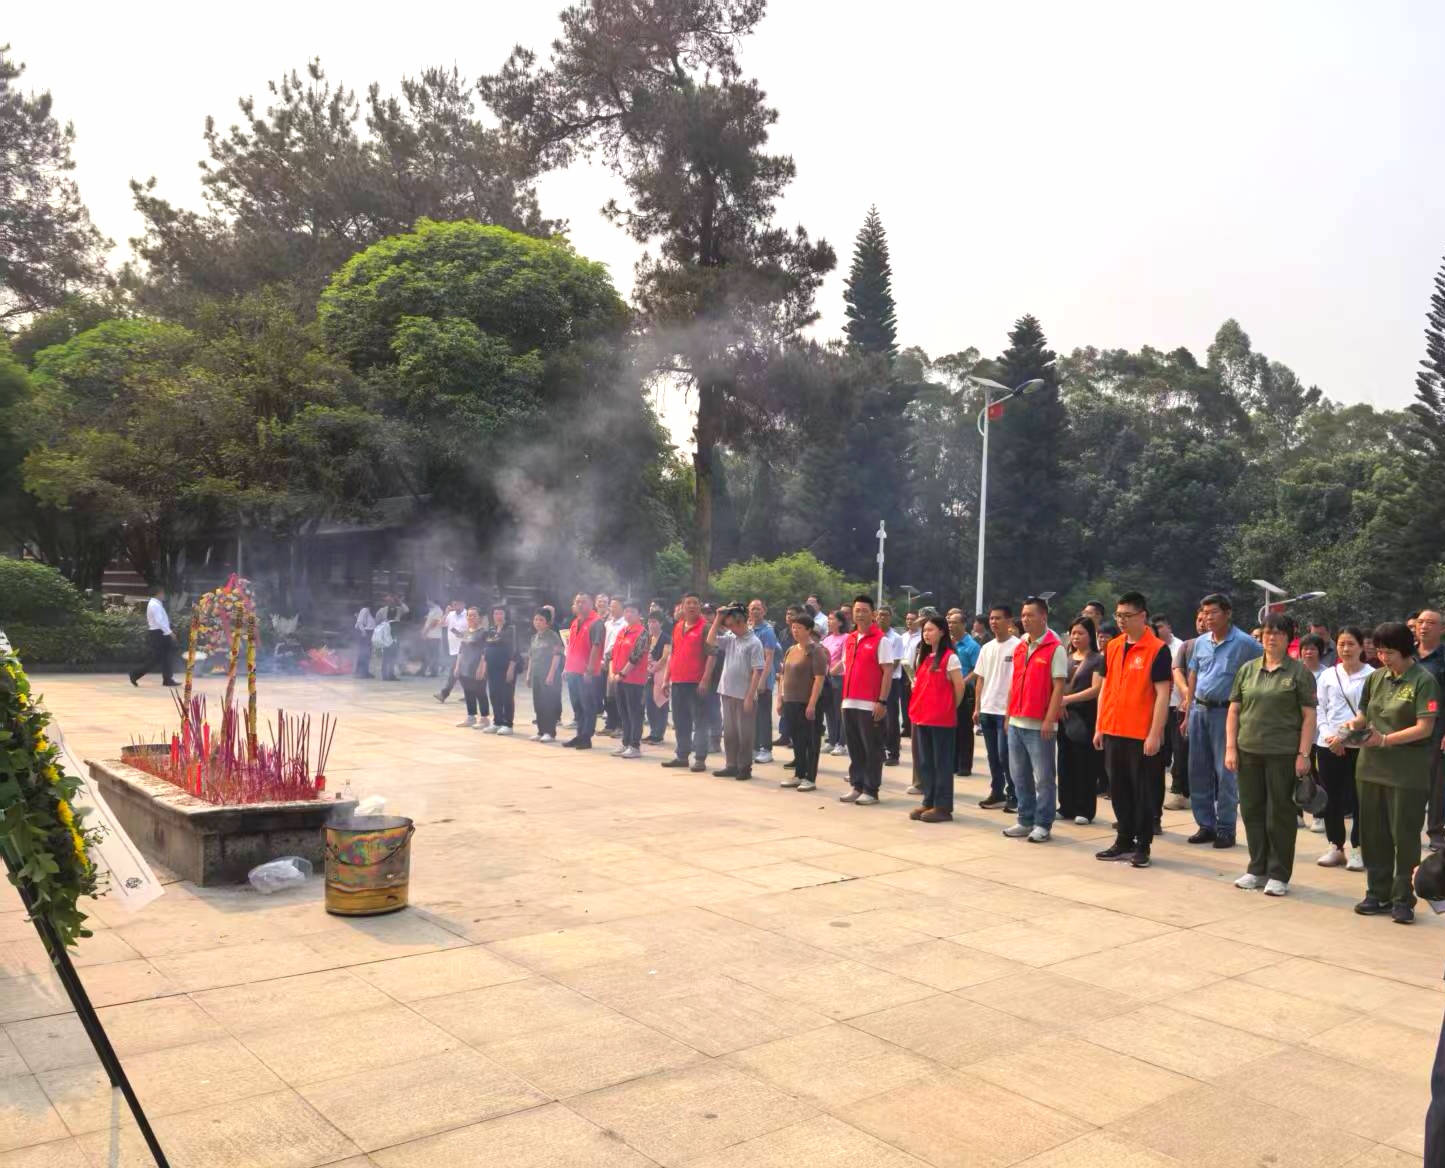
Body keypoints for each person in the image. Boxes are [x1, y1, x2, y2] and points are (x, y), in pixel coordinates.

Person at [1348, 621, 1441, 923]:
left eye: (1389, 653)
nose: (1383, 658)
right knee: (1373, 835)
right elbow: (1364, 712)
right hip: (1370, 768)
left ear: (1405, 650)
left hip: (1406, 772)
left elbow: (1424, 727)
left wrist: (1385, 740)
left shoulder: (1424, 681)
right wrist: (1354, 725)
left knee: (1404, 836)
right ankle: (1377, 892)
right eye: (1380, 652)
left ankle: (1403, 898)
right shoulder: (1376, 678)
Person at [1224, 613, 1317, 896]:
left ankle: (1279, 873)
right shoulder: (1248, 669)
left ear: (1289, 638)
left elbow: (1309, 716)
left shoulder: (1299, 673)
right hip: (1248, 750)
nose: (1271, 637)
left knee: (1280, 814)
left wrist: (1304, 754)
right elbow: (1234, 710)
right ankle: (1257, 868)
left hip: (1283, 753)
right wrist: (1231, 747)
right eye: (1267, 632)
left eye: (1278, 633)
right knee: (1252, 810)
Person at [1093, 593, 1173, 868]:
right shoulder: (1113, 646)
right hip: (1113, 729)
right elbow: (1105, 687)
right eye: (1118, 616)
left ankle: (1143, 844)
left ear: (1142, 616)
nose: (1121, 621)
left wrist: (1155, 733)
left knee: (1143, 792)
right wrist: (1100, 725)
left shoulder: (1157, 649)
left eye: (1127, 616)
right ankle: (1123, 839)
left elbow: (1163, 694)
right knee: (1118, 789)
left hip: (1141, 734)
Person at [1186, 593, 1263, 849]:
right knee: (1198, 770)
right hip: (1199, 711)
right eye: (1204, 613)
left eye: (1213, 612)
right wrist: (1188, 711)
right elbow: (1194, 675)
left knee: (1226, 773)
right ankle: (1205, 824)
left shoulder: (1245, 644)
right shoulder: (1200, 642)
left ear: (1228, 613)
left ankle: (1226, 829)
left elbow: (1261, 673)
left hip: (1226, 713)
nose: (1208, 618)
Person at [1002, 597, 1067, 842]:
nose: (1025, 619)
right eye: (1023, 615)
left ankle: (1043, 823)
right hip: (1016, 722)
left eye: (1030, 615)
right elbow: (1014, 683)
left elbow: (1059, 687)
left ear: (1043, 617)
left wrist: (1050, 719)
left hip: (1040, 725)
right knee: (1019, 776)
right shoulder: (1020, 646)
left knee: (1044, 778)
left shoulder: (1055, 648)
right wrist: (1008, 715)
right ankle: (1025, 819)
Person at [1314, 625, 1372, 870]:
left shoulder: (1372, 675)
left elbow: (1370, 714)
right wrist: (1329, 737)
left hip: (1359, 745)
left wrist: (1345, 738)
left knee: (1360, 799)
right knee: (1331, 798)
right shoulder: (1328, 675)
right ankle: (1335, 846)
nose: (1346, 649)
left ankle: (1358, 848)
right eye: (1341, 644)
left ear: (1361, 646)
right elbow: (1320, 708)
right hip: (1328, 745)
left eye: (1351, 644)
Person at [908, 614, 966, 822]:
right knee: (925, 762)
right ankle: (929, 800)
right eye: (924, 630)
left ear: (942, 632)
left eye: (930, 630)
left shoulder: (950, 657)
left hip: (941, 719)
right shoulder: (924, 657)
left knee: (942, 763)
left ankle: (943, 806)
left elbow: (959, 687)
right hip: (922, 717)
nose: (926, 634)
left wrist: (949, 708)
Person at [840, 595, 895, 805]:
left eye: (864, 610)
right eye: (857, 610)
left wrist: (882, 701)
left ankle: (871, 790)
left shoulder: (881, 640)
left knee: (872, 748)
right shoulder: (850, 638)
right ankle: (857, 785)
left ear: (873, 614)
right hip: (849, 702)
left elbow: (887, 672)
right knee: (854, 748)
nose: (860, 614)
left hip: (870, 704)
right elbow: (846, 668)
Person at [707, 604, 765, 780]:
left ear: (741, 622)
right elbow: (710, 641)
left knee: (745, 733)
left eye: (732, 625)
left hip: (744, 694)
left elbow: (757, 671)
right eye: (728, 625)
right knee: (730, 732)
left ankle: (744, 767)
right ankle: (731, 765)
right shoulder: (731, 637)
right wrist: (718, 618)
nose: (730, 628)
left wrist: (750, 696)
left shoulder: (754, 642)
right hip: (727, 691)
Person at [972, 605, 1020, 812]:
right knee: (992, 756)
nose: (994, 622)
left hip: (1005, 711)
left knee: (1005, 755)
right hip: (987, 709)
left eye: (998, 618)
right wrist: (977, 707)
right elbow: (980, 679)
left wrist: (1010, 711)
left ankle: (1014, 794)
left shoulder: (1018, 646)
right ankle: (997, 792)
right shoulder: (986, 647)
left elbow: (1017, 682)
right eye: (991, 618)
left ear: (1009, 621)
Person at [1057, 617, 1104, 825]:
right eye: (1073, 633)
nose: (1076, 637)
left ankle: (1085, 809)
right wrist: (1059, 703)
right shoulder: (1066, 657)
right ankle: (1066, 806)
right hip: (1064, 716)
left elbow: (1096, 689)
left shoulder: (1097, 659)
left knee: (1084, 764)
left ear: (1090, 635)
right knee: (1064, 763)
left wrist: (1067, 699)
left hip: (1085, 716)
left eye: (1081, 633)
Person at [777, 613, 828, 792]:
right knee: (797, 739)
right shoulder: (791, 650)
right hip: (791, 701)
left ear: (808, 630)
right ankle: (799, 773)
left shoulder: (816, 651)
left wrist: (812, 703)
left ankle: (810, 777)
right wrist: (780, 698)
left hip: (807, 702)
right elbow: (783, 675)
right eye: (793, 627)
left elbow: (819, 679)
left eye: (799, 628)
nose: (795, 631)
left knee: (810, 740)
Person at [662, 593, 710, 773]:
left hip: (697, 682)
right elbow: (672, 654)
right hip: (678, 681)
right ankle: (682, 756)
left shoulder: (705, 627)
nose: (691, 606)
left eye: (695, 603)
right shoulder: (678, 627)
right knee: (680, 720)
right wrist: (666, 679)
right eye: (688, 603)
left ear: (700, 606)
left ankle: (700, 758)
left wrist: (705, 679)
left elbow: (711, 656)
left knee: (700, 721)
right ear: (682, 607)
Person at [1165, 609, 1206, 810]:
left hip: (1213, 709)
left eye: (1206, 619)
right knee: (1181, 752)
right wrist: (1187, 694)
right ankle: (1180, 792)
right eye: (1199, 619)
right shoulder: (1187, 646)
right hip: (1186, 708)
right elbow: (1177, 671)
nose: (1202, 623)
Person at [1414, 610, 1445, 851]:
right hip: (1406, 727)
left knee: (1437, 785)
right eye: (1421, 622)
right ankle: (1407, 828)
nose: (1424, 626)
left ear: (1442, 629)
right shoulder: (1406, 654)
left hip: (1436, 730)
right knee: (1409, 780)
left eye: (1431, 623)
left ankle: (1435, 831)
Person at [562, 594, 606, 750]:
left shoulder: (596, 622)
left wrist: (590, 669)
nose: (580, 605)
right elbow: (570, 647)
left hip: (587, 672)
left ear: (591, 604)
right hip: (573, 670)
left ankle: (586, 737)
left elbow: (596, 646)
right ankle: (579, 735)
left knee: (588, 705)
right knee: (577, 705)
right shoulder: (575, 622)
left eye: (583, 602)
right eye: (577, 602)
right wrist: (566, 667)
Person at [608, 602, 651, 758]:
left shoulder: (642, 633)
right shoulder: (622, 631)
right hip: (619, 679)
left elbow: (636, 657)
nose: (628, 615)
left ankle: (634, 745)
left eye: (632, 612)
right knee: (624, 713)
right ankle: (625, 742)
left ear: (639, 614)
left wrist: (622, 674)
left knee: (635, 714)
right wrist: (612, 673)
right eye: (626, 611)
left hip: (634, 680)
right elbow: (612, 654)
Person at [947, 608, 980, 777]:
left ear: (963, 624)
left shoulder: (972, 646)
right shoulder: (949, 644)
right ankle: (953, 763)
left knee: (965, 729)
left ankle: (965, 765)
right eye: (949, 622)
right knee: (951, 727)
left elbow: (978, 670)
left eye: (954, 622)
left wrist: (962, 682)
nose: (950, 625)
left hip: (966, 691)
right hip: (949, 690)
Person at [748, 599, 781, 766]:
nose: (755, 611)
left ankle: (766, 749)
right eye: (752, 608)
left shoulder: (767, 631)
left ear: (764, 611)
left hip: (763, 680)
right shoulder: (749, 629)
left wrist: (762, 681)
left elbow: (769, 658)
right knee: (752, 715)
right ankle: (754, 747)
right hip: (750, 678)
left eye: (758, 609)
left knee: (763, 715)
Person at [526, 608, 565, 742]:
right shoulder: (534, 637)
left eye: (541, 620)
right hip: (536, 674)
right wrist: (529, 674)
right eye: (536, 619)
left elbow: (557, 656)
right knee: (538, 703)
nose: (537, 622)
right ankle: (541, 730)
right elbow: (531, 657)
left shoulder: (553, 637)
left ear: (548, 622)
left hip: (548, 675)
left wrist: (551, 674)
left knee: (548, 703)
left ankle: (550, 732)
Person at [129, 585, 179, 687]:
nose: (164, 595)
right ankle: (135, 674)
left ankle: (167, 679)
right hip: (159, 633)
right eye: (162, 593)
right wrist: (169, 632)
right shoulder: (155, 605)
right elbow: (159, 621)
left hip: (160, 633)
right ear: (158, 594)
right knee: (156, 659)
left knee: (166, 657)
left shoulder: (156, 604)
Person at [877, 606, 906, 766]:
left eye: (886, 615)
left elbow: (894, 662)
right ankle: (879, 750)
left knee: (892, 718)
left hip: (891, 681)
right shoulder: (874, 636)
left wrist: (881, 674)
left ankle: (893, 753)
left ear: (891, 617)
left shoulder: (896, 638)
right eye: (880, 615)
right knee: (877, 717)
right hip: (875, 680)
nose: (882, 618)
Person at [453, 607, 489, 728]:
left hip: (477, 667)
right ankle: (471, 717)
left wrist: (481, 667)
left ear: (479, 618)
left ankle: (484, 718)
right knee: (468, 692)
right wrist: (457, 666)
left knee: (480, 692)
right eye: (469, 615)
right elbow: (461, 651)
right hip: (465, 667)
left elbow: (485, 652)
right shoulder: (466, 632)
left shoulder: (483, 633)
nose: (471, 618)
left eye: (474, 615)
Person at [822, 609, 849, 755]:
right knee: (829, 711)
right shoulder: (827, 639)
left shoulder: (846, 638)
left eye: (832, 619)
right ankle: (831, 740)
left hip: (839, 677)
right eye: (828, 619)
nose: (829, 621)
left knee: (840, 712)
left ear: (840, 622)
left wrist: (833, 671)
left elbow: (845, 659)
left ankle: (841, 743)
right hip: (827, 678)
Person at [600, 597, 627, 735]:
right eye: (611, 606)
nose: (612, 609)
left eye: (615, 606)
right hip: (606, 661)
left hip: (618, 662)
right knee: (607, 695)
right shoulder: (607, 624)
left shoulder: (625, 624)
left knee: (618, 695)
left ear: (622, 607)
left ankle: (620, 725)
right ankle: (610, 724)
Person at [644, 610, 671, 744]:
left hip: (660, 674)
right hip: (648, 675)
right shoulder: (648, 638)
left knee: (660, 704)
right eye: (649, 622)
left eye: (654, 622)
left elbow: (665, 657)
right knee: (649, 703)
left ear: (661, 623)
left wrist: (653, 668)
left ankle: (659, 734)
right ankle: (653, 731)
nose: (651, 625)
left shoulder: (666, 638)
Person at [434, 600, 468, 702]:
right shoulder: (451, 614)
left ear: (463, 604)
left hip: (464, 648)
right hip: (453, 648)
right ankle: (470, 694)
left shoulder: (468, 615)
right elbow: (441, 624)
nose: (455, 606)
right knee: (460, 673)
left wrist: (462, 635)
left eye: (457, 604)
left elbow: (472, 630)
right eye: (454, 604)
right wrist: (446, 613)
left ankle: (444, 694)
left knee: (454, 671)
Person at [373, 595, 409, 681]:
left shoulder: (399, 609)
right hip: (386, 634)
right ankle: (385, 675)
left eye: (393, 601)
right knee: (386, 655)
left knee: (393, 655)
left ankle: (391, 674)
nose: (391, 602)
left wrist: (400, 602)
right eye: (389, 601)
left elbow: (407, 610)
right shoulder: (382, 610)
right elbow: (377, 620)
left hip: (395, 634)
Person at [899, 611, 921, 738]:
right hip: (901, 670)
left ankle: (914, 727)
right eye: (907, 619)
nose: (909, 621)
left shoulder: (921, 637)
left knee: (914, 700)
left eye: (912, 619)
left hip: (913, 672)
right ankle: (906, 726)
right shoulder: (903, 636)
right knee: (903, 701)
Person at [421, 600, 445, 677]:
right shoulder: (433, 610)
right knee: (429, 654)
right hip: (430, 636)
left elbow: (434, 623)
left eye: (428, 600)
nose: (427, 602)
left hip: (434, 636)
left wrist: (425, 632)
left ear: (432, 601)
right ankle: (425, 670)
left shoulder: (438, 610)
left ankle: (434, 672)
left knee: (433, 655)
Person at [352, 603, 376, 679]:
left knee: (367, 654)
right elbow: (359, 622)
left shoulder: (369, 612)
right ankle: (360, 672)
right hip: (365, 633)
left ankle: (364, 671)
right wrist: (363, 632)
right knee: (363, 653)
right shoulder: (365, 609)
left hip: (369, 632)